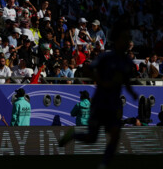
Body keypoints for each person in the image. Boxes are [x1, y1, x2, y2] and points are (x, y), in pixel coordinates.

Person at [58, 20, 138, 169]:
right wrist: (102, 82)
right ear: (117, 41)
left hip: (114, 103)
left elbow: (125, 80)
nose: (127, 42)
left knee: (115, 136)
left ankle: (103, 164)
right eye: (124, 39)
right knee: (92, 137)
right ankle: (73, 135)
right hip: (100, 101)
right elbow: (87, 70)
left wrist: (133, 93)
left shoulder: (127, 61)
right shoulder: (106, 57)